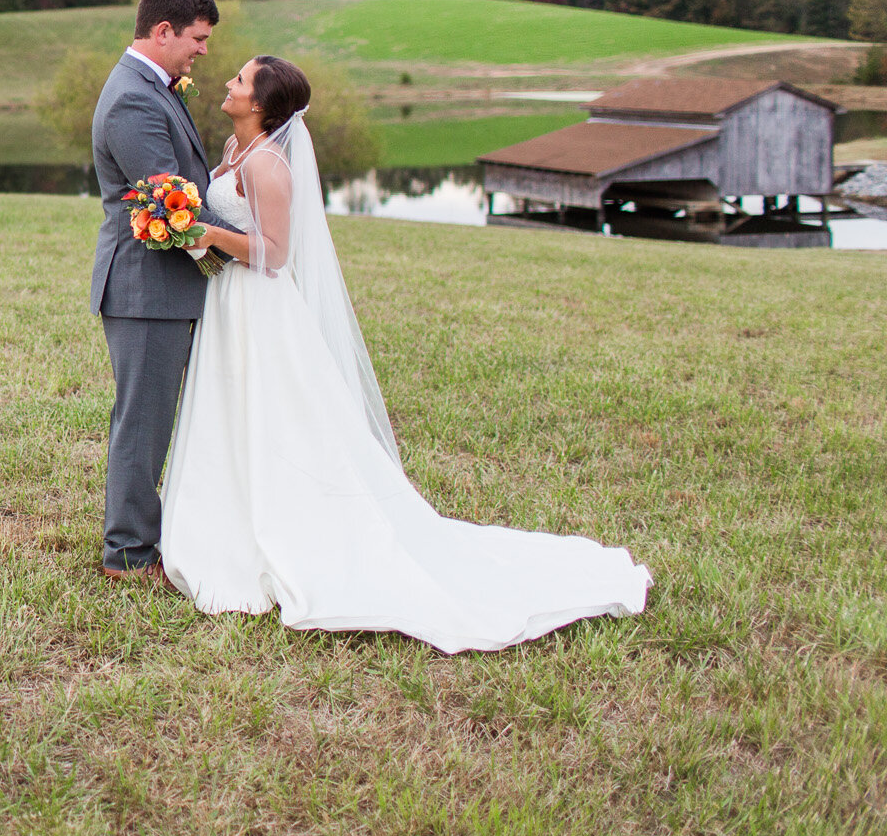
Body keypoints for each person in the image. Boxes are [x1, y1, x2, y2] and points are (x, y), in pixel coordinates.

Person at [157, 55, 651, 653]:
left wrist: (207, 234)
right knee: (231, 411)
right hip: (229, 304)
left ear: (260, 104)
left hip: (259, 307)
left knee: (272, 414)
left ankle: (285, 531)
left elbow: (276, 252)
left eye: (240, 79)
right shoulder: (234, 153)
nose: (229, 83)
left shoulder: (266, 164)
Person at [88, 0, 219, 583]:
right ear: (162, 32)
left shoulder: (152, 87)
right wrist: (245, 251)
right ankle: (129, 554)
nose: (202, 50)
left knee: (161, 416)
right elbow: (172, 203)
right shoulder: (134, 98)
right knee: (143, 421)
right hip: (145, 290)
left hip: (166, 287)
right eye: (196, 38)